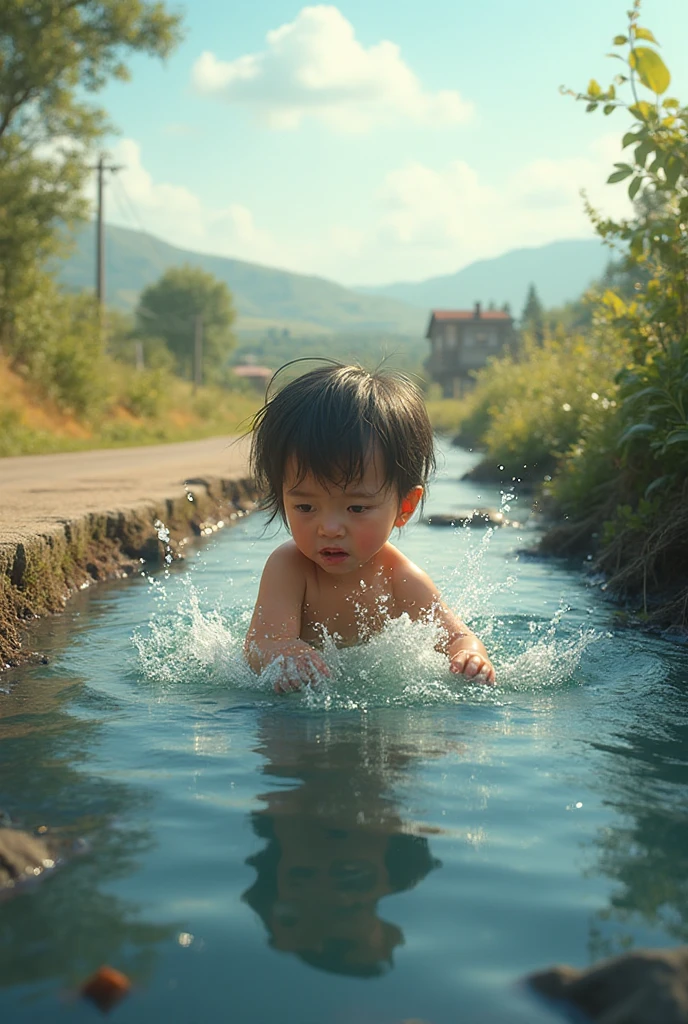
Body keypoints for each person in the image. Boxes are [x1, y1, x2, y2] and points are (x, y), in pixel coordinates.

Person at [244, 362, 495, 692]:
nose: (330, 528)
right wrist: (285, 653)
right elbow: (260, 644)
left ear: (404, 507)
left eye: (356, 507)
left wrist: (470, 656)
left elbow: (457, 636)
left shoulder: (400, 578)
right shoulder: (290, 568)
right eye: (305, 507)